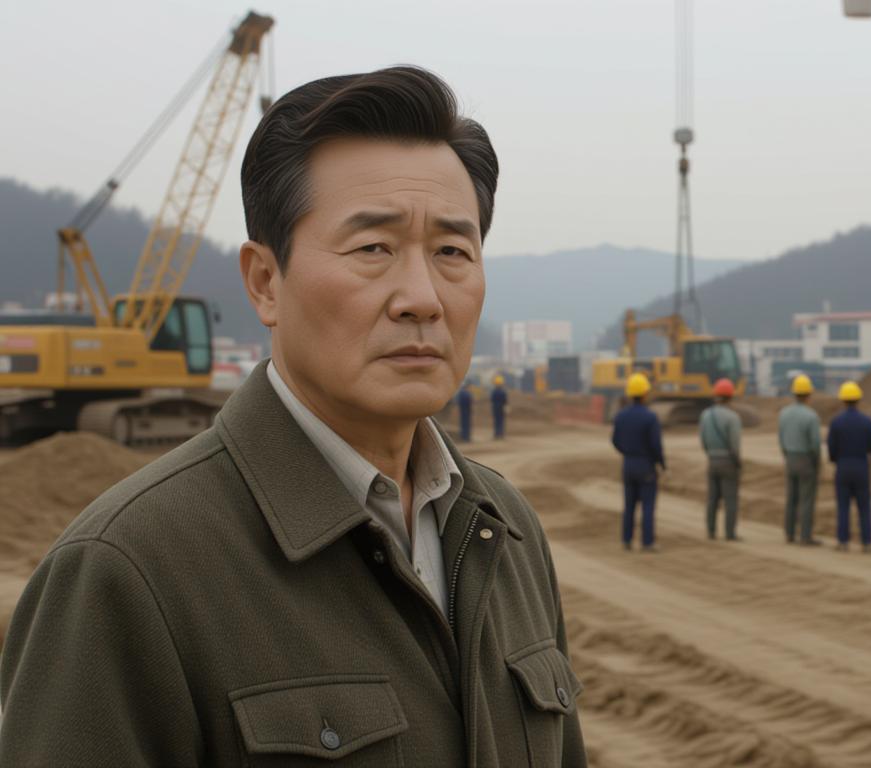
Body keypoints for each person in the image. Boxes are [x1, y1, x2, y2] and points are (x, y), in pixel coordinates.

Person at [0, 67, 586, 766]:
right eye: (373, 248)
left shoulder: (505, 529)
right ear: (265, 281)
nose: (423, 298)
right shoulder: (127, 571)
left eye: (452, 252)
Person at [612, 373, 665, 552]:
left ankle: (626, 540)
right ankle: (647, 542)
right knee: (648, 505)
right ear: (644, 394)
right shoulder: (650, 417)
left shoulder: (621, 416)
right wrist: (661, 464)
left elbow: (615, 441)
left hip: (628, 465)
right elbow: (656, 445)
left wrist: (627, 452)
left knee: (629, 505)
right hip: (646, 465)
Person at [827, 381, 871, 553]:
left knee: (843, 506)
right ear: (858, 400)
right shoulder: (868, 422)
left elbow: (831, 447)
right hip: (861, 466)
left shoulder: (836, 422)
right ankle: (867, 543)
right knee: (864, 507)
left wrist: (835, 461)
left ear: (843, 400)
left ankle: (843, 542)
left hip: (843, 466)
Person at [778, 374, 822, 545]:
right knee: (806, 499)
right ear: (809, 394)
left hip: (790, 458)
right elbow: (815, 444)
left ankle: (789, 533)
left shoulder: (784, 414)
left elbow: (781, 439)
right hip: (806, 460)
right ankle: (805, 536)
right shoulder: (811, 416)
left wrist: (787, 455)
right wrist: (816, 462)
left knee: (791, 498)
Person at [699, 378, 743, 541]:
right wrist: (738, 462)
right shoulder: (733, 417)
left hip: (712, 460)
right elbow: (735, 445)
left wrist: (711, 454)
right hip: (728, 461)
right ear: (730, 397)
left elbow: (703, 440)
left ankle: (711, 531)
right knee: (730, 499)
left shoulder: (706, 415)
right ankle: (730, 533)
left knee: (712, 498)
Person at [491, 374, 508, 439]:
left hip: (495, 408)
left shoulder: (494, 391)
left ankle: (496, 434)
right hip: (501, 408)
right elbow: (505, 400)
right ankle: (501, 434)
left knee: (496, 421)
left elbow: (492, 399)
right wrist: (506, 407)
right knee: (501, 421)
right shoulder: (503, 392)